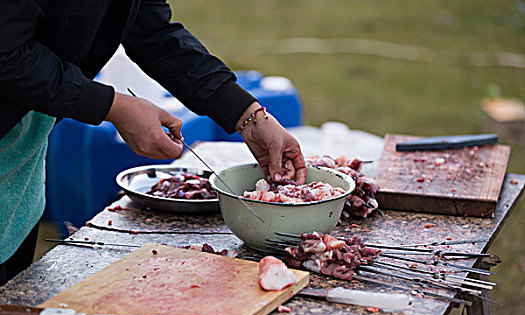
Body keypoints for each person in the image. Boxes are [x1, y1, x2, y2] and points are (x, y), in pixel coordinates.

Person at [0, 0, 306, 286]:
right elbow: (6, 52)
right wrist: (112, 106)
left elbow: (152, 30)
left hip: (19, 169)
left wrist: (247, 114)